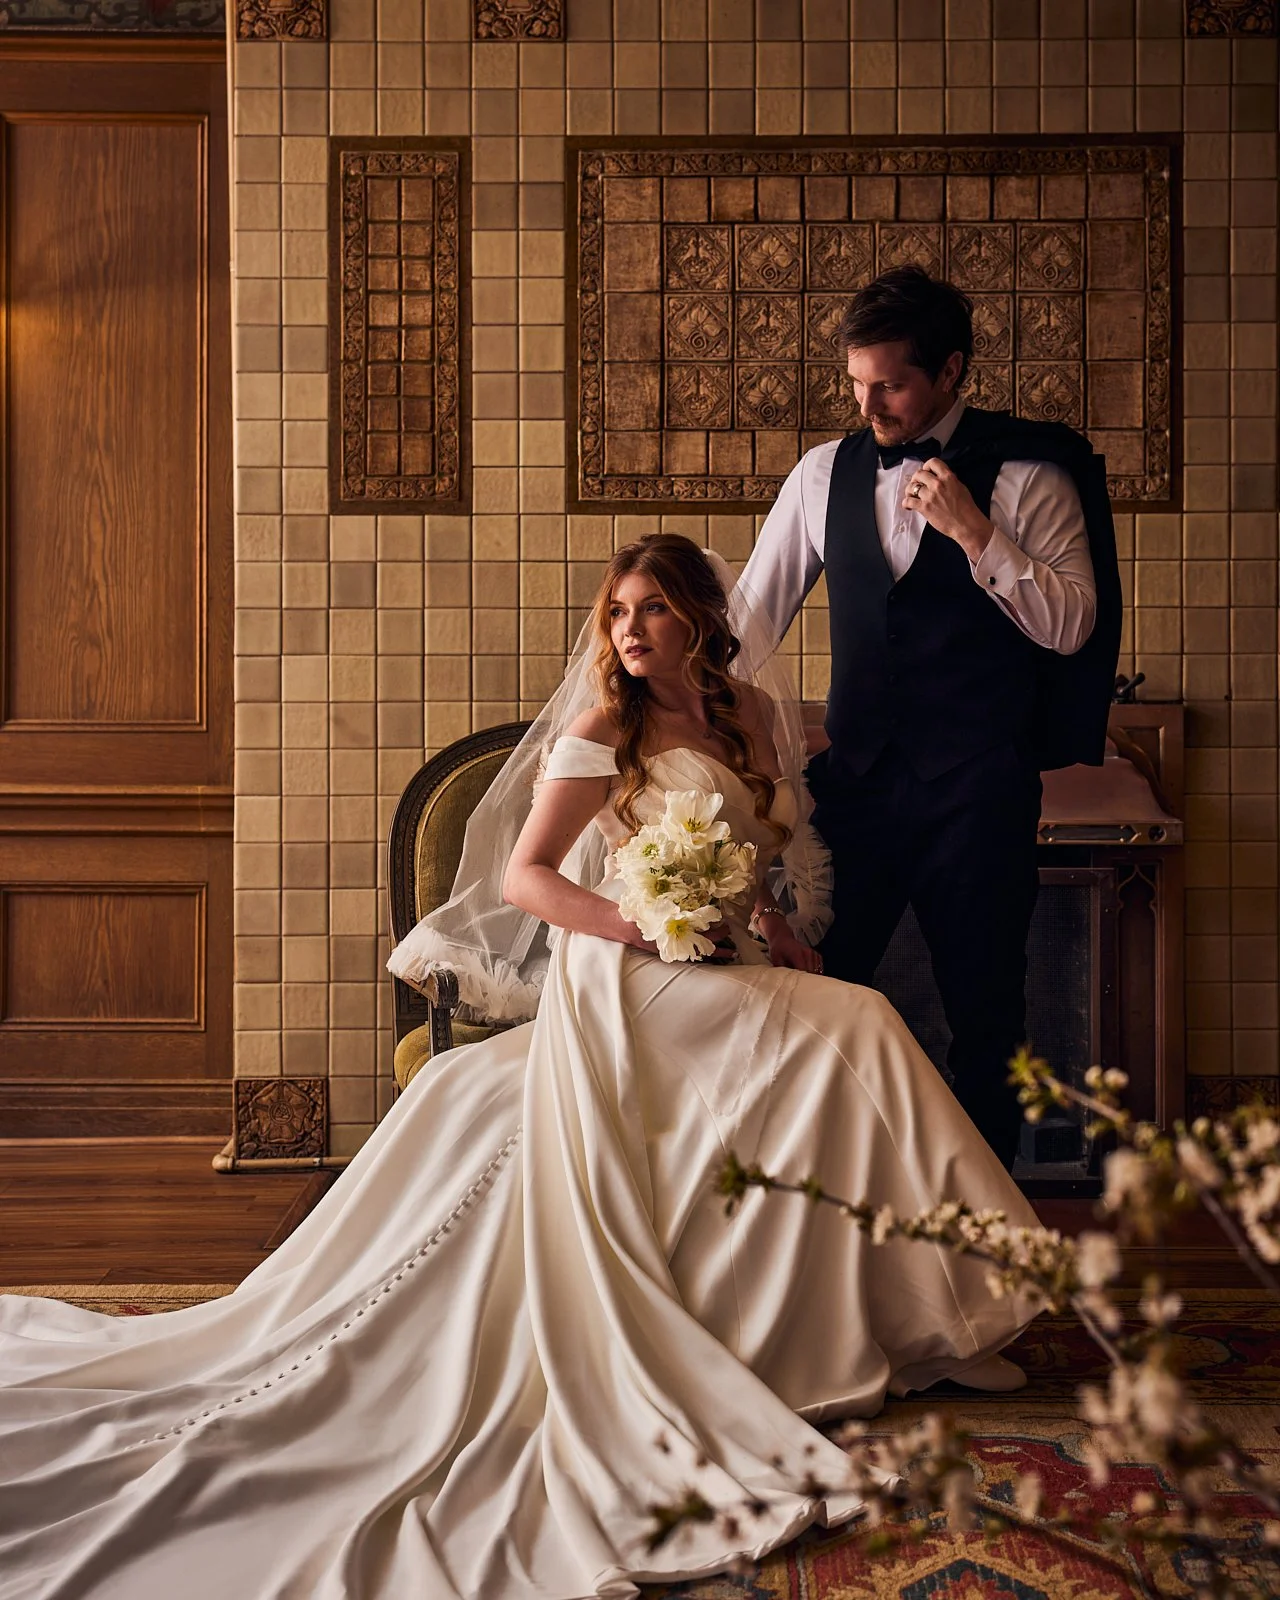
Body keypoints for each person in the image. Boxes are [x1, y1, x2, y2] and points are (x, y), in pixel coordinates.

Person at [0, 535, 1042, 1600]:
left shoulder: (755, 717)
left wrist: (775, 923)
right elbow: (529, 878)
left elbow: (762, 854)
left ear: (701, 621)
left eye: (651, 611)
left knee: (848, 1027)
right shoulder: (604, 727)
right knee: (860, 1025)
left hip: (722, 959)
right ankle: (950, 1305)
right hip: (627, 974)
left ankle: (927, 1318)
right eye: (616, 614)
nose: (629, 632)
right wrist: (639, 922)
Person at [740, 267, 1122, 1171]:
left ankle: (987, 1247)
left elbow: (1071, 627)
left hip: (978, 792)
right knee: (813, 998)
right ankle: (821, 1222)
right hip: (859, 789)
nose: (868, 403)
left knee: (988, 1015)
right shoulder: (821, 474)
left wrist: (977, 534)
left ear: (951, 371)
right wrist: (655, 697)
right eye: (857, 383)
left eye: (892, 384)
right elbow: (748, 622)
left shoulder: (1032, 474)